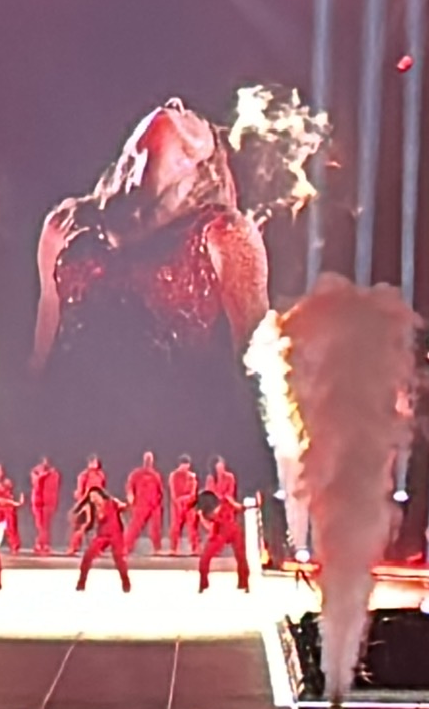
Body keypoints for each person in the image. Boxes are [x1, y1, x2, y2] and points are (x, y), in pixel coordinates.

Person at [32, 100, 275, 481]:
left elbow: (255, 358)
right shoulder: (65, 227)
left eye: (193, 115)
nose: (176, 104)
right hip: (80, 444)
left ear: (198, 161)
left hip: (185, 450)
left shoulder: (224, 234)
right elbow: (42, 352)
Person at [73, 487, 133, 593]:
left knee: (119, 559)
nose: (93, 499)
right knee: (88, 556)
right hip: (102, 535)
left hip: (116, 535)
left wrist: (129, 502)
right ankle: (81, 583)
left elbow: (124, 507)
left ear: (100, 495)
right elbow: (88, 521)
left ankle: (126, 583)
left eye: (94, 496)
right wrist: (81, 529)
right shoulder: (92, 507)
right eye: (91, 497)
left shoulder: (112, 502)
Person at [196, 489, 249, 592]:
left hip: (233, 530)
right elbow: (209, 527)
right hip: (219, 533)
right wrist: (201, 517)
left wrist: (238, 505)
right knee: (205, 558)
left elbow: (239, 507)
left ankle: (244, 583)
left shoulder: (226, 500)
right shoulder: (205, 512)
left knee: (241, 556)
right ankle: (203, 583)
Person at [127, 453, 167, 554]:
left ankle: (157, 548)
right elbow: (130, 486)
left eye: (150, 459)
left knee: (156, 528)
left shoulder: (155, 475)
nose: (149, 461)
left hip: (154, 504)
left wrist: (160, 504)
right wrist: (130, 496)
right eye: (147, 458)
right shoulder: (136, 474)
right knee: (135, 527)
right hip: (141, 504)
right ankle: (127, 547)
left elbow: (161, 490)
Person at [70, 457, 109, 553]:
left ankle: (95, 547)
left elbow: (102, 488)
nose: (95, 465)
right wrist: (81, 503)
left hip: (97, 502)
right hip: (87, 501)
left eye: (96, 462)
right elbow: (80, 489)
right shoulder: (84, 475)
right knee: (85, 524)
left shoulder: (100, 475)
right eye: (93, 462)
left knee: (98, 525)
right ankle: (74, 546)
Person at [168, 456, 200, 554]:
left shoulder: (192, 476)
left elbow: (193, 492)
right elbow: (173, 492)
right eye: (184, 465)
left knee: (192, 526)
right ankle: (173, 548)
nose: (185, 467)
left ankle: (195, 548)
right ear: (180, 465)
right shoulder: (173, 475)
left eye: (187, 465)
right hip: (177, 504)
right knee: (175, 526)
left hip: (189, 504)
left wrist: (187, 500)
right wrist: (178, 502)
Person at [29, 458, 61, 554]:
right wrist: (41, 476)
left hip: (48, 502)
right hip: (37, 501)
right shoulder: (35, 472)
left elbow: (54, 488)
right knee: (40, 524)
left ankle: (44, 544)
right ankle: (41, 544)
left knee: (46, 524)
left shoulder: (54, 474)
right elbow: (36, 484)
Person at [0, 464, 22, 552]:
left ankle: (14, 545)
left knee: (11, 524)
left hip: (7, 507)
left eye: (1, 470)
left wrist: (10, 502)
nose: (0, 472)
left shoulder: (7, 482)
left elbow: (10, 497)